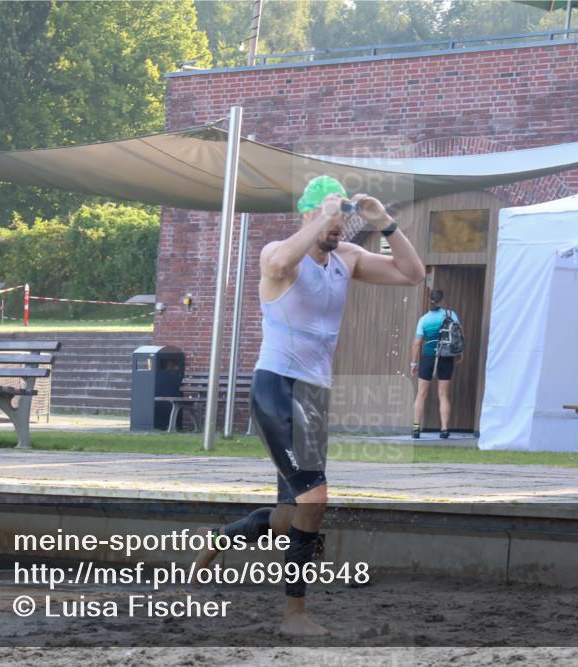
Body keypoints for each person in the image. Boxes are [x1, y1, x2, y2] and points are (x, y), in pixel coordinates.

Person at [194, 175, 425, 636]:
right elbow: (280, 260)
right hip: (277, 387)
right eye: (330, 218)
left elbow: (412, 275)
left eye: (343, 220)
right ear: (308, 214)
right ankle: (293, 615)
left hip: (315, 396)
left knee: (288, 516)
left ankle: (220, 539)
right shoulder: (279, 253)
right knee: (314, 499)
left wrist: (386, 224)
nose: (339, 227)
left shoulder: (348, 258)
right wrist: (322, 215)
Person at [410, 289, 460, 439]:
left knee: (421, 394)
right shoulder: (451, 315)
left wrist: (414, 363)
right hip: (446, 356)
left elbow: (417, 344)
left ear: (429, 301)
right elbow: (457, 336)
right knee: (443, 394)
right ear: (442, 300)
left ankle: (416, 429)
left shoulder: (424, 319)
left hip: (428, 356)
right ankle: (444, 430)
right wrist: (459, 354)